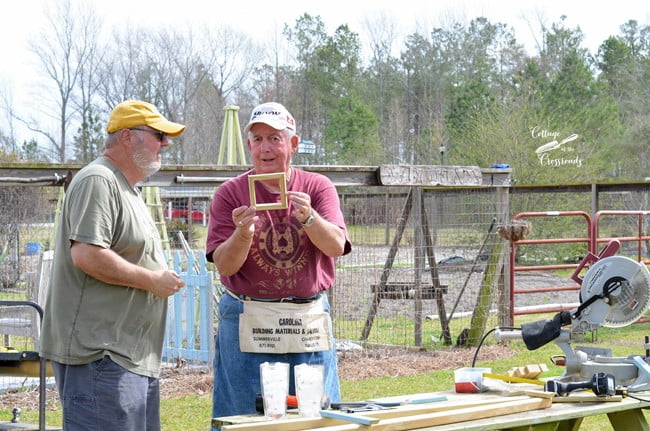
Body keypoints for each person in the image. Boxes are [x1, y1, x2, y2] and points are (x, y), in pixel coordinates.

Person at [39, 100, 187, 430]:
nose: (166, 143)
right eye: (159, 135)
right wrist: (152, 281)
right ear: (126, 137)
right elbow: (87, 255)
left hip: (126, 358)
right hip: (101, 358)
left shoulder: (126, 189)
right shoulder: (99, 180)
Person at [206, 102, 352, 425]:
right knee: (243, 416)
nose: (265, 148)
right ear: (248, 146)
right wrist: (243, 234)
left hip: (307, 320)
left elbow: (337, 245)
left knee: (314, 416)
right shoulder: (230, 194)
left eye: (274, 138)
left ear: (293, 144)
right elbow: (225, 266)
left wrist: (310, 219)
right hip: (249, 319)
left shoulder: (317, 187)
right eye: (257, 140)